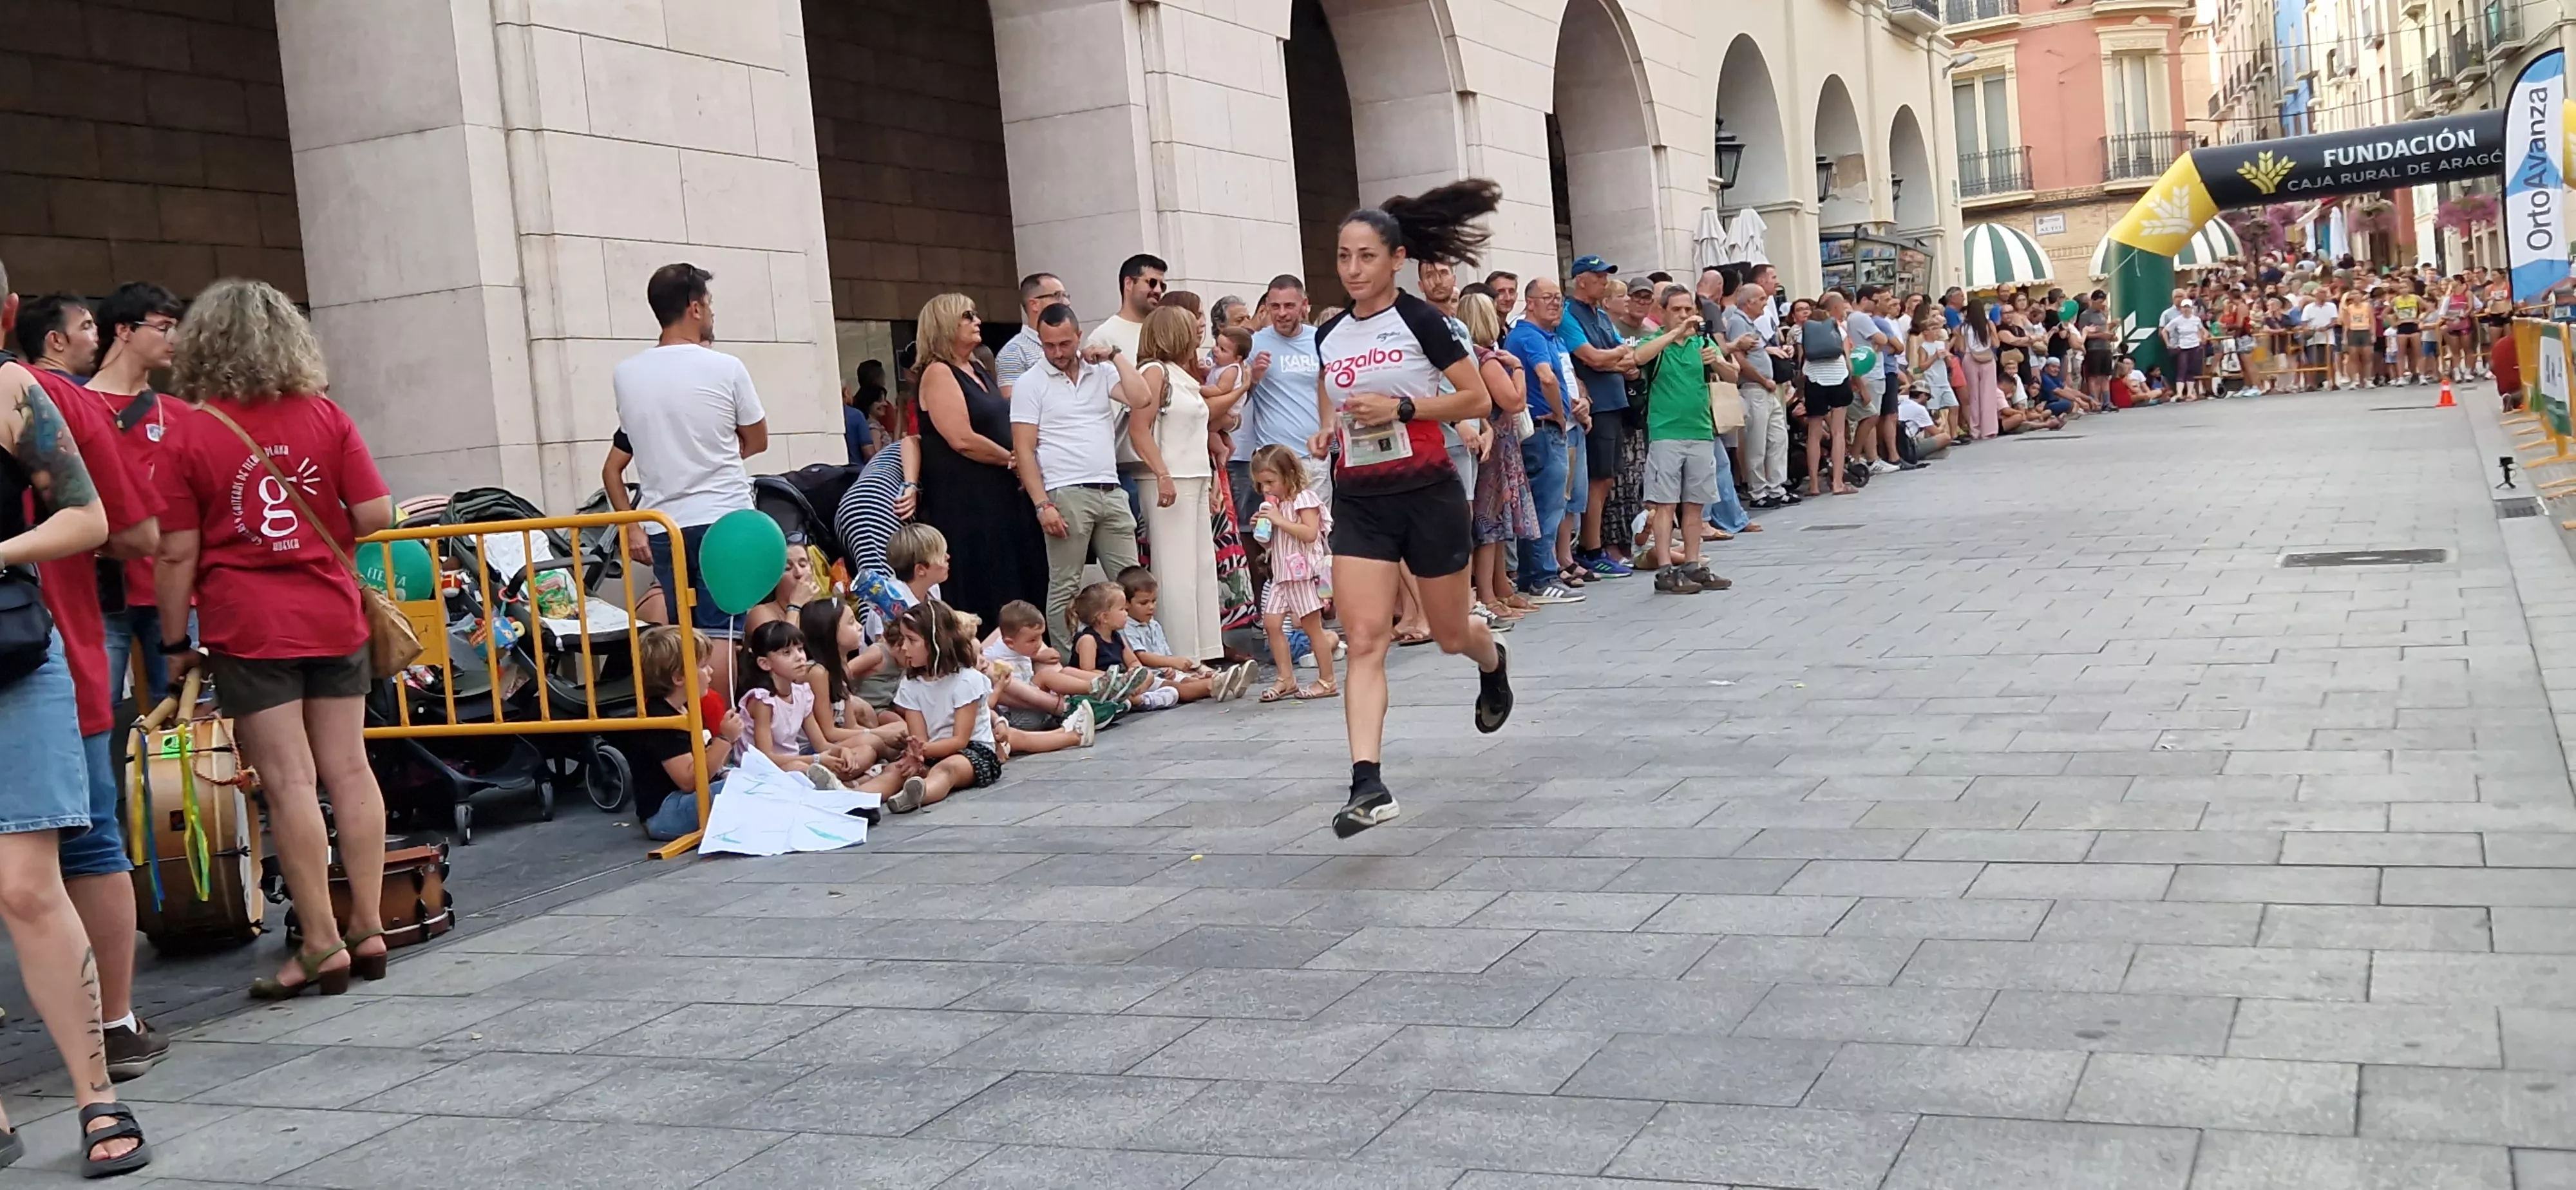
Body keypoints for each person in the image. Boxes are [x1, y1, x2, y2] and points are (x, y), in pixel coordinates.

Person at [150, 279, 392, 1014]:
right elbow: (376, 512)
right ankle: (371, 926)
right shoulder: (325, 414)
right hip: (332, 613)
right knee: (350, 768)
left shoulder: (191, 432)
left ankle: (319, 940)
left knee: (289, 784)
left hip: (248, 625)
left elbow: (174, 554)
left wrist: (171, 642)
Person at [0, 269, 155, 1179]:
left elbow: (89, 517)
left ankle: (97, 1094)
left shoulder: (12, 391)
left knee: (26, 883)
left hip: (12, 654)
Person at [1305, 179, 1515, 837]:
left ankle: (1492, 661)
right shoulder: (1330, 333)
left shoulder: (1424, 321)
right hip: (1361, 499)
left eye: (1366, 256)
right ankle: (1367, 784)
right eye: (1343, 257)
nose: (1353, 270)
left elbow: (1479, 401)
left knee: (1453, 636)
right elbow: (1332, 393)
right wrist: (1325, 429)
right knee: (1366, 640)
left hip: (1427, 492)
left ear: (1396, 259)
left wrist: (1403, 408)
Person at [16, 293, 176, 1086]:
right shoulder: (63, 404)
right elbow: (137, 531)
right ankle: (112, 1026)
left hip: (49, 654)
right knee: (86, 843)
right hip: (50, 652)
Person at [612, 265, 767, 696]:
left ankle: (695, 726)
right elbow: (757, 439)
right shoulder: (726, 367)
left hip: (666, 522)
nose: (712, 314)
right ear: (695, 307)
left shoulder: (625, 374)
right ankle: (722, 726)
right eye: (710, 305)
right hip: (725, 518)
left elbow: (630, 448)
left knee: (685, 628)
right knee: (724, 631)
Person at [1009, 302, 1152, 651]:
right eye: (1049, 345)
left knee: (1130, 582)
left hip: (1110, 485)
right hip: (1065, 491)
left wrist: (1114, 356)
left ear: (1079, 336)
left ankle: (1140, 657)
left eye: (1065, 344)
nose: (1057, 353)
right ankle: (1065, 664)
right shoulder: (1030, 382)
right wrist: (1042, 504)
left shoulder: (1099, 371)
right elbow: (1024, 449)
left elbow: (1142, 397)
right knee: (1065, 585)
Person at [911, 293, 1048, 632]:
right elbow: (961, 439)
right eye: (967, 316)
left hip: (1003, 495)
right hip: (969, 500)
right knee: (988, 580)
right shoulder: (939, 373)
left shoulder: (978, 369)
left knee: (1022, 574)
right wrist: (1013, 460)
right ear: (945, 325)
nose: (977, 321)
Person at [1134, 305, 1231, 665]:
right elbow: (1139, 428)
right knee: (1175, 568)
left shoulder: (1181, 374)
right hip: (1168, 475)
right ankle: (1181, 656)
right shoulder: (1154, 372)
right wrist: (1162, 474)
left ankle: (1205, 650)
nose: (1198, 336)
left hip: (1194, 475)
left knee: (1201, 567)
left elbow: (1196, 432)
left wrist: (1211, 482)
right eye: (1190, 329)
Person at [1633, 285, 1730, 594]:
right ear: (1662, 312)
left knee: (1695, 504)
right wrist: (1673, 334)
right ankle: (1664, 569)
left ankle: (1693, 564)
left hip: (1700, 431)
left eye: (1689, 309)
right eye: (1677, 310)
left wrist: (1717, 359)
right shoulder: (1655, 342)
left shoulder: (1701, 342)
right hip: (1666, 433)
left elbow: (1733, 375)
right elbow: (1638, 357)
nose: (1686, 316)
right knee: (1665, 504)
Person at [1504, 277, 1583, 603]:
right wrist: (1561, 416)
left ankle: (1536, 574)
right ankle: (1540, 578)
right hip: (1542, 430)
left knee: (1545, 504)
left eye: (1559, 298)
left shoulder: (1545, 336)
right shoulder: (1530, 336)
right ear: (1530, 302)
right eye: (1547, 298)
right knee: (1547, 506)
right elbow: (1547, 377)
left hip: (1541, 430)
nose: (1555, 304)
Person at [1459, 294, 1535, 621]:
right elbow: (1514, 401)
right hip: (1495, 443)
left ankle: (1501, 586)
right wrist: (1518, 368)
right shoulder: (1486, 359)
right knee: (1490, 519)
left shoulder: (1464, 357)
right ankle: (1489, 593)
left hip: (1492, 441)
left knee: (1499, 520)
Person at [1557, 256, 1634, 578]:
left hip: (1613, 402)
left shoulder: (1601, 315)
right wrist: (1612, 359)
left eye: (1605, 276)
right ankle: (1591, 548)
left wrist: (1610, 359)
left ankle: (1594, 545)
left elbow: (1627, 357)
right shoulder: (1569, 314)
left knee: (1607, 477)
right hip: (1595, 406)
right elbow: (1590, 357)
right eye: (1599, 276)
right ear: (1581, 280)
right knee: (1595, 479)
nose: (1604, 282)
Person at [1247, 444, 1341, 702]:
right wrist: (1264, 531)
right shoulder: (1274, 505)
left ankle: (1328, 680)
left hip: (1303, 575)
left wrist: (1279, 520)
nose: (1266, 489)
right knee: (1271, 623)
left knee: (1312, 628)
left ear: (1288, 475)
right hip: (1281, 576)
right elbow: (1275, 544)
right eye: (1261, 484)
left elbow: (1310, 534)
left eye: (1270, 482)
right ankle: (1285, 678)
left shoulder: (1304, 499)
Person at [1235, 275, 1325, 521]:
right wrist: (1253, 378)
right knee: (1278, 533)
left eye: (1289, 306)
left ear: (1304, 305)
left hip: (1314, 457)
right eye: (1275, 306)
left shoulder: (1320, 340)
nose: (1282, 313)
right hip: (1275, 460)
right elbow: (1237, 402)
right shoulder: (1255, 344)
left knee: (1316, 533)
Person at [1117, 567, 1254, 698]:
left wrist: (1169, 667)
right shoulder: (1126, 627)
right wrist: (1172, 662)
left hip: (1163, 672)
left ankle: (1226, 682)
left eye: (1154, 601)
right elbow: (1141, 656)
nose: (1151, 607)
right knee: (1177, 688)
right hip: (1147, 677)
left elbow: (1163, 651)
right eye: (1144, 603)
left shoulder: (1154, 624)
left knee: (1188, 679)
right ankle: (1216, 684)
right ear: (1126, 603)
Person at [1801, 290, 1858, 495]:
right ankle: (1837, 483)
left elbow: (1803, 359)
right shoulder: (1839, 329)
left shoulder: (1805, 329)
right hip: (1838, 379)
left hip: (1815, 381)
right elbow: (1849, 364)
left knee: (1814, 434)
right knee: (1838, 432)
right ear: (1835, 309)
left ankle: (1814, 485)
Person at [994, 272, 1068, 397]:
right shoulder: (1013, 353)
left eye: (1066, 296)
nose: (1066, 303)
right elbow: (1015, 405)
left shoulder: (1069, 344)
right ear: (1034, 304)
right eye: (1058, 296)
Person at [1084, 254, 1166, 363]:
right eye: (1152, 283)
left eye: (1162, 286)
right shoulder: (1102, 339)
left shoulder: (1164, 331)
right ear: (1129, 284)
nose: (1158, 290)